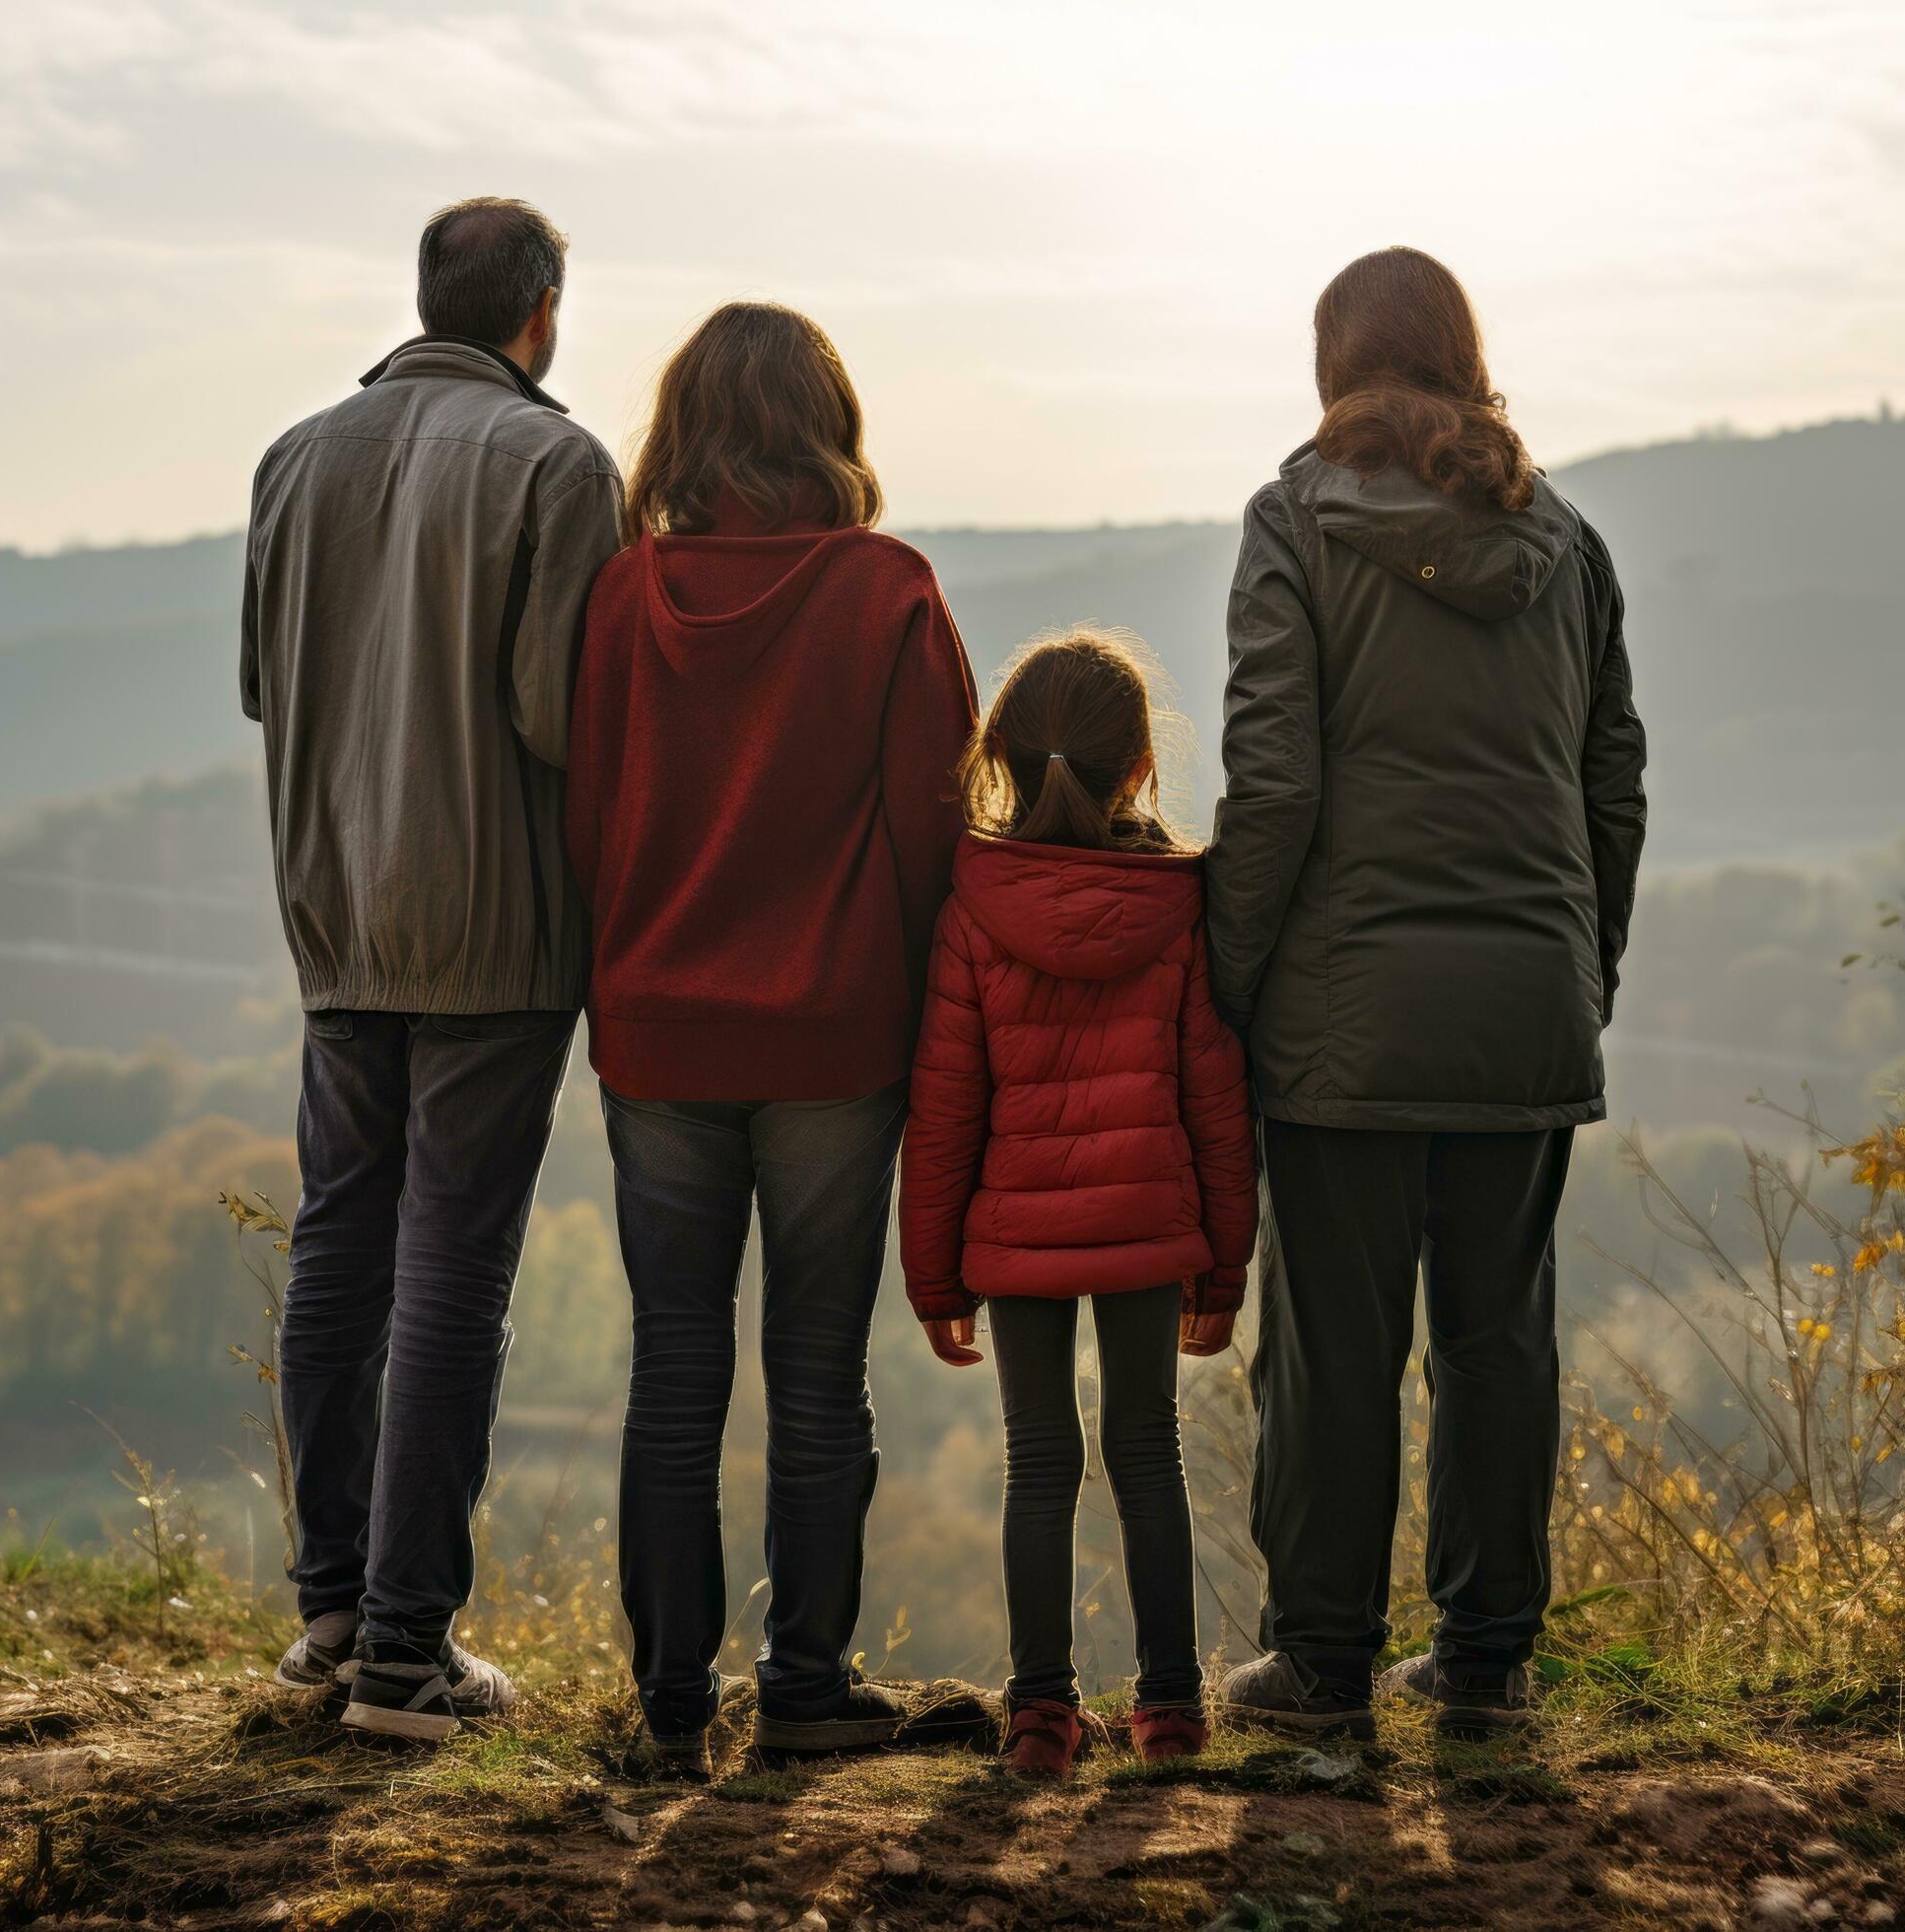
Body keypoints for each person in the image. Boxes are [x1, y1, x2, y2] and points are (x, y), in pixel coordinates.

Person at [1204, 246, 1648, 1738]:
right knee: (1498, 1338)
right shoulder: (1568, 540)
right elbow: (1612, 785)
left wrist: (1231, 981)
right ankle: (1486, 1666)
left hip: (1346, 1012)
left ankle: (1321, 1663)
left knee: (1334, 1348)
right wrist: (1583, 970)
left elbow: (1270, 783)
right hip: (1528, 998)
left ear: (1335, 365)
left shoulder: (1291, 523)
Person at [566, 302, 978, 1773]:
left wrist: (619, 981)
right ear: (830, 424)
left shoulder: (623, 600)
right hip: (833, 1037)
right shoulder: (887, 593)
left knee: (673, 1370)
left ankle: (671, 1708)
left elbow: (590, 821)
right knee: (817, 1372)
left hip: (661, 1034)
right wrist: (947, 1029)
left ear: (687, 430)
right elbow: (938, 834)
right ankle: (807, 1693)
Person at [244, 197, 623, 1741]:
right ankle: (410, 1651)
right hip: (495, 928)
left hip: (337, 911)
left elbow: (269, 690)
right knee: (453, 1272)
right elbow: (560, 717)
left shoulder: (293, 458)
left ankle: (331, 1614)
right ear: (540, 308)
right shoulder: (560, 466)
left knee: (339, 1250)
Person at [898, 631, 1259, 1779]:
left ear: (997, 760)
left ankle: (1041, 1715)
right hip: (1152, 1220)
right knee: (1146, 1449)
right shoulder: (1179, 907)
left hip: (1014, 1235)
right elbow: (1215, 1096)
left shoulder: (973, 907)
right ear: (1142, 768)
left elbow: (943, 1111)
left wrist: (934, 1275)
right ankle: (1168, 1712)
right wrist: (1226, 1260)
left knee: (1037, 1460)